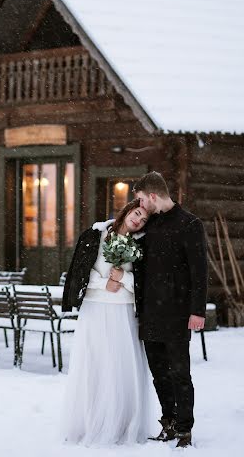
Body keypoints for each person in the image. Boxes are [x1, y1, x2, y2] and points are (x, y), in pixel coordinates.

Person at [60, 199, 156, 447]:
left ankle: (121, 422)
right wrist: (105, 284)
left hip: (123, 313)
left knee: (119, 366)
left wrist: (123, 277)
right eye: (137, 213)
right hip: (95, 310)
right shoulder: (96, 234)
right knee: (96, 364)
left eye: (144, 219)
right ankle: (93, 420)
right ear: (127, 210)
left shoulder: (141, 244)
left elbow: (145, 284)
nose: (138, 220)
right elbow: (82, 271)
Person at [133, 171, 208, 449]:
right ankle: (169, 423)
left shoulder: (190, 224)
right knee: (159, 374)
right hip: (150, 312)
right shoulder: (148, 225)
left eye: (141, 199)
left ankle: (185, 430)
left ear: (153, 196)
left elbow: (199, 272)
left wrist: (197, 310)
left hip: (177, 313)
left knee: (180, 373)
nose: (140, 206)